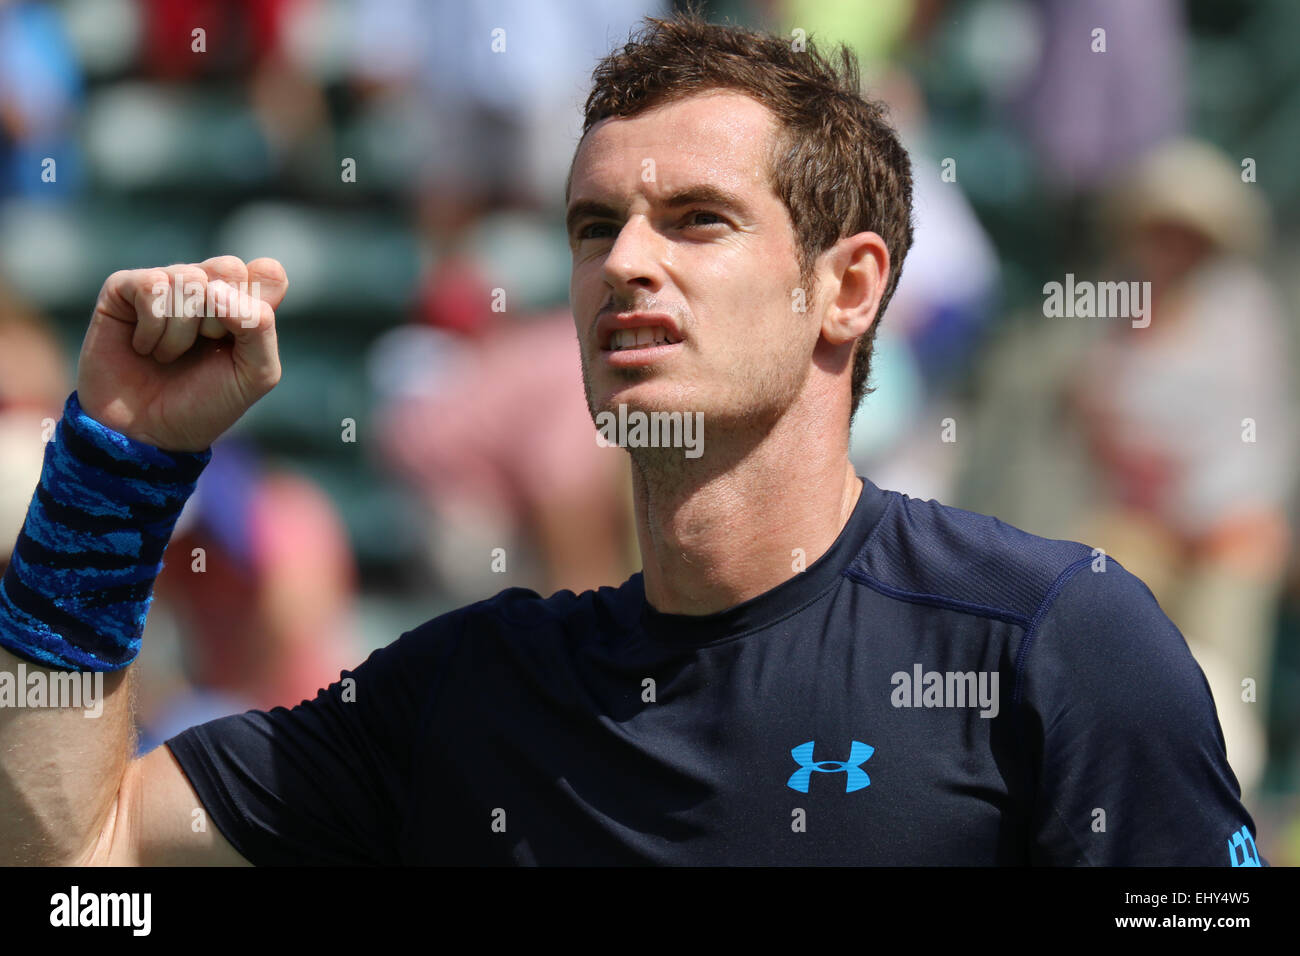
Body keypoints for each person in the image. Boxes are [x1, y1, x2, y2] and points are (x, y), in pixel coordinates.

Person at [0, 9, 1263, 866]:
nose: (627, 264)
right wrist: (115, 469)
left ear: (849, 284)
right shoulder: (468, 693)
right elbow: (71, 857)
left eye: (698, 219)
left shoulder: (1055, 637)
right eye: (595, 226)